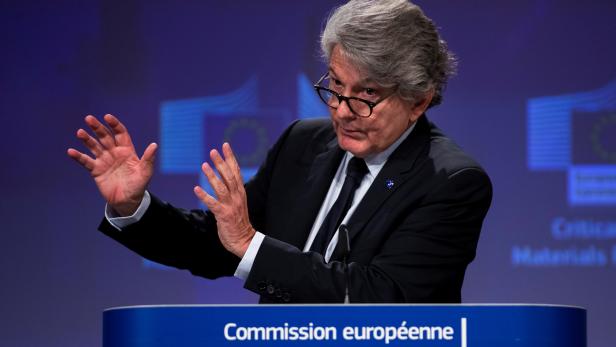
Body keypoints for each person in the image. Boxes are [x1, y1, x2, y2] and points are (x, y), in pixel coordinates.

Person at [68, 0, 492, 303]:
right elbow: (219, 245)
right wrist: (134, 206)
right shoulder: (303, 144)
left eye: (366, 95)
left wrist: (251, 243)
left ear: (419, 100)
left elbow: (379, 295)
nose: (342, 112)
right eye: (335, 87)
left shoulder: (451, 182)